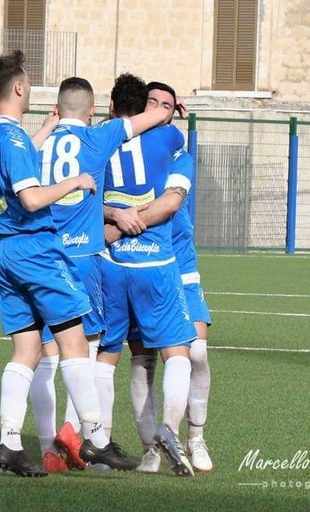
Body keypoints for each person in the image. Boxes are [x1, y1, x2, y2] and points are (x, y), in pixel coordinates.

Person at [0, 51, 152, 477]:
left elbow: (14, 163)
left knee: (26, 350)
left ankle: (9, 443)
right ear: (19, 88)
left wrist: (41, 132)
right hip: (33, 250)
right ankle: (95, 439)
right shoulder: (15, 139)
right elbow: (32, 198)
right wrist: (76, 181)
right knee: (76, 344)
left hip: (1, 252)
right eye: (27, 82)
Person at [26, 76, 175, 473]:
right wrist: (167, 111)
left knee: (42, 355)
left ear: (56, 110)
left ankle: (46, 449)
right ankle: (79, 436)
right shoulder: (99, 137)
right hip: (84, 258)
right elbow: (145, 118)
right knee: (87, 347)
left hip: (40, 256)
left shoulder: (32, 144)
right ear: (92, 110)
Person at [107, 82, 213, 473]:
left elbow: (169, 205)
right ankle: (152, 446)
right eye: (151, 102)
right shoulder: (115, 147)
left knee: (196, 352)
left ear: (173, 113)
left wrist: (119, 226)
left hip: (177, 264)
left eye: (166, 105)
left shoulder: (175, 149)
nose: (157, 110)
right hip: (132, 266)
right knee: (142, 360)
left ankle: (195, 438)